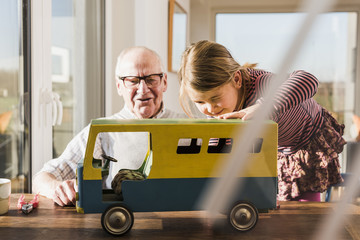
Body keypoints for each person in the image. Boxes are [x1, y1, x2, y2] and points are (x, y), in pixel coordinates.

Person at [178, 40, 346, 202]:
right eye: (200, 102)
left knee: (300, 205)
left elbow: (308, 79)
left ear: (236, 79)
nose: (210, 109)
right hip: (278, 144)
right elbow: (221, 141)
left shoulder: (263, 84)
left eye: (215, 98)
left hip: (307, 139)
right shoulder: (217, 109)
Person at [33, 46, 186, 206]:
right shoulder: (102, 132)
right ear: (119, 86)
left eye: (151, 79)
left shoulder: (190, 125)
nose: (143, 89)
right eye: (132, 81)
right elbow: (42, 178)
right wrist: (57, 188)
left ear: (164, 82)